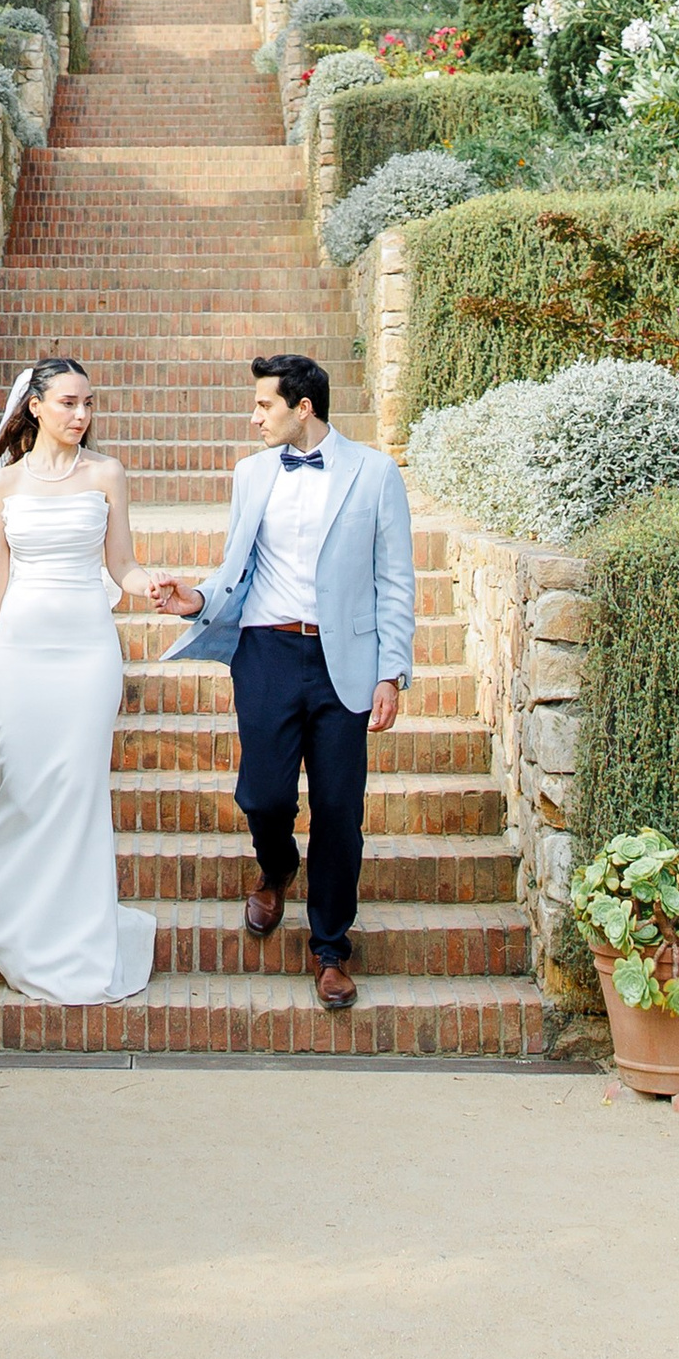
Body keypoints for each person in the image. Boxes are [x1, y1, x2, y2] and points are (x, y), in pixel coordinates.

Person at [149, 354, 415, 1010]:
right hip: (266, 651)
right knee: (263, 797)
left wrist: (391, 671)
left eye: (264, 405)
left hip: (342, 662)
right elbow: (234, 569)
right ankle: (277, 866)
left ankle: (330, 949)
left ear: (303, 408)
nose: (253, 416)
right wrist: (196, 600)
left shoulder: (376, 474)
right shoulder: (251, 474)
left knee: (339, 812)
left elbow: (395, 582)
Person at [0, 356, 157, 1005]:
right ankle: (19, 926)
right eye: (69, 403)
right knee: (23, 785)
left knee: (78, 790)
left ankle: (80, 942)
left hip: (89, 654)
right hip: (20, 653)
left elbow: (122, 565)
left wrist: (147, 585)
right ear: (36, 407)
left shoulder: (107, 475)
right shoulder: (2, 486)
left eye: (89, 404)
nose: (82, 416)